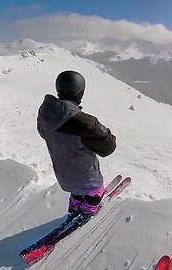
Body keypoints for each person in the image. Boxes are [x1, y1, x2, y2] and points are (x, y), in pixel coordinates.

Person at [37, 70, 116, 222]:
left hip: (64, 176)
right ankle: (87, 211)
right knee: (96, 189)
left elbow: (43, 133)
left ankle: (74, 208)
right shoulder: (83, 123)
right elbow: (108, 146)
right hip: (86, 177)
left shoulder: (45, 114)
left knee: (77, 189)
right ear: (80, 92)